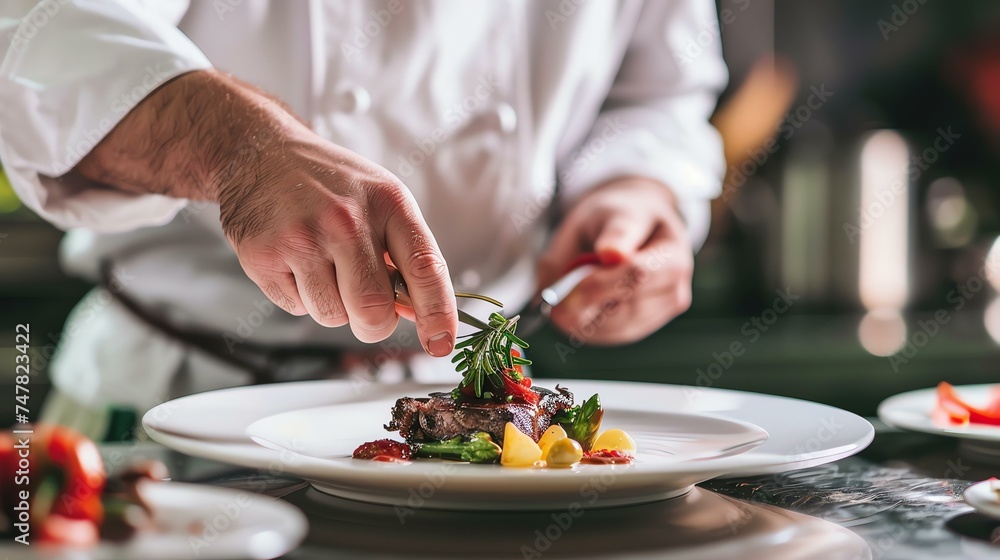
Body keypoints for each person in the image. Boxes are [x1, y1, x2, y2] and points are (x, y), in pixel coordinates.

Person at [0, 0, 726, 439]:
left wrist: (635, 190)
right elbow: (29, 29)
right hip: (171, 405)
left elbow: (659, 92)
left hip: (468, 419)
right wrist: (236, 148)